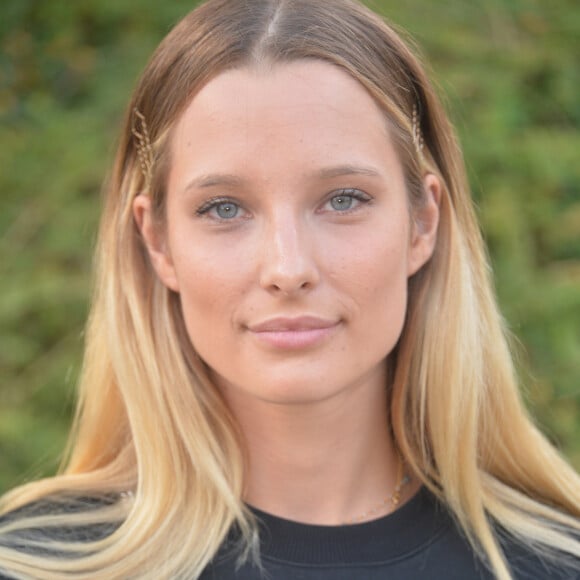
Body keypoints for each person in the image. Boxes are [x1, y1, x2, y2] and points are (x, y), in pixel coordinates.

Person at [0, 0, 578, 578]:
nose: (288, 266)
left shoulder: (554, 563)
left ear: (423, 222)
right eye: (224, 208)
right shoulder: (30, 564)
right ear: (158, 242)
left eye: (343, 199)